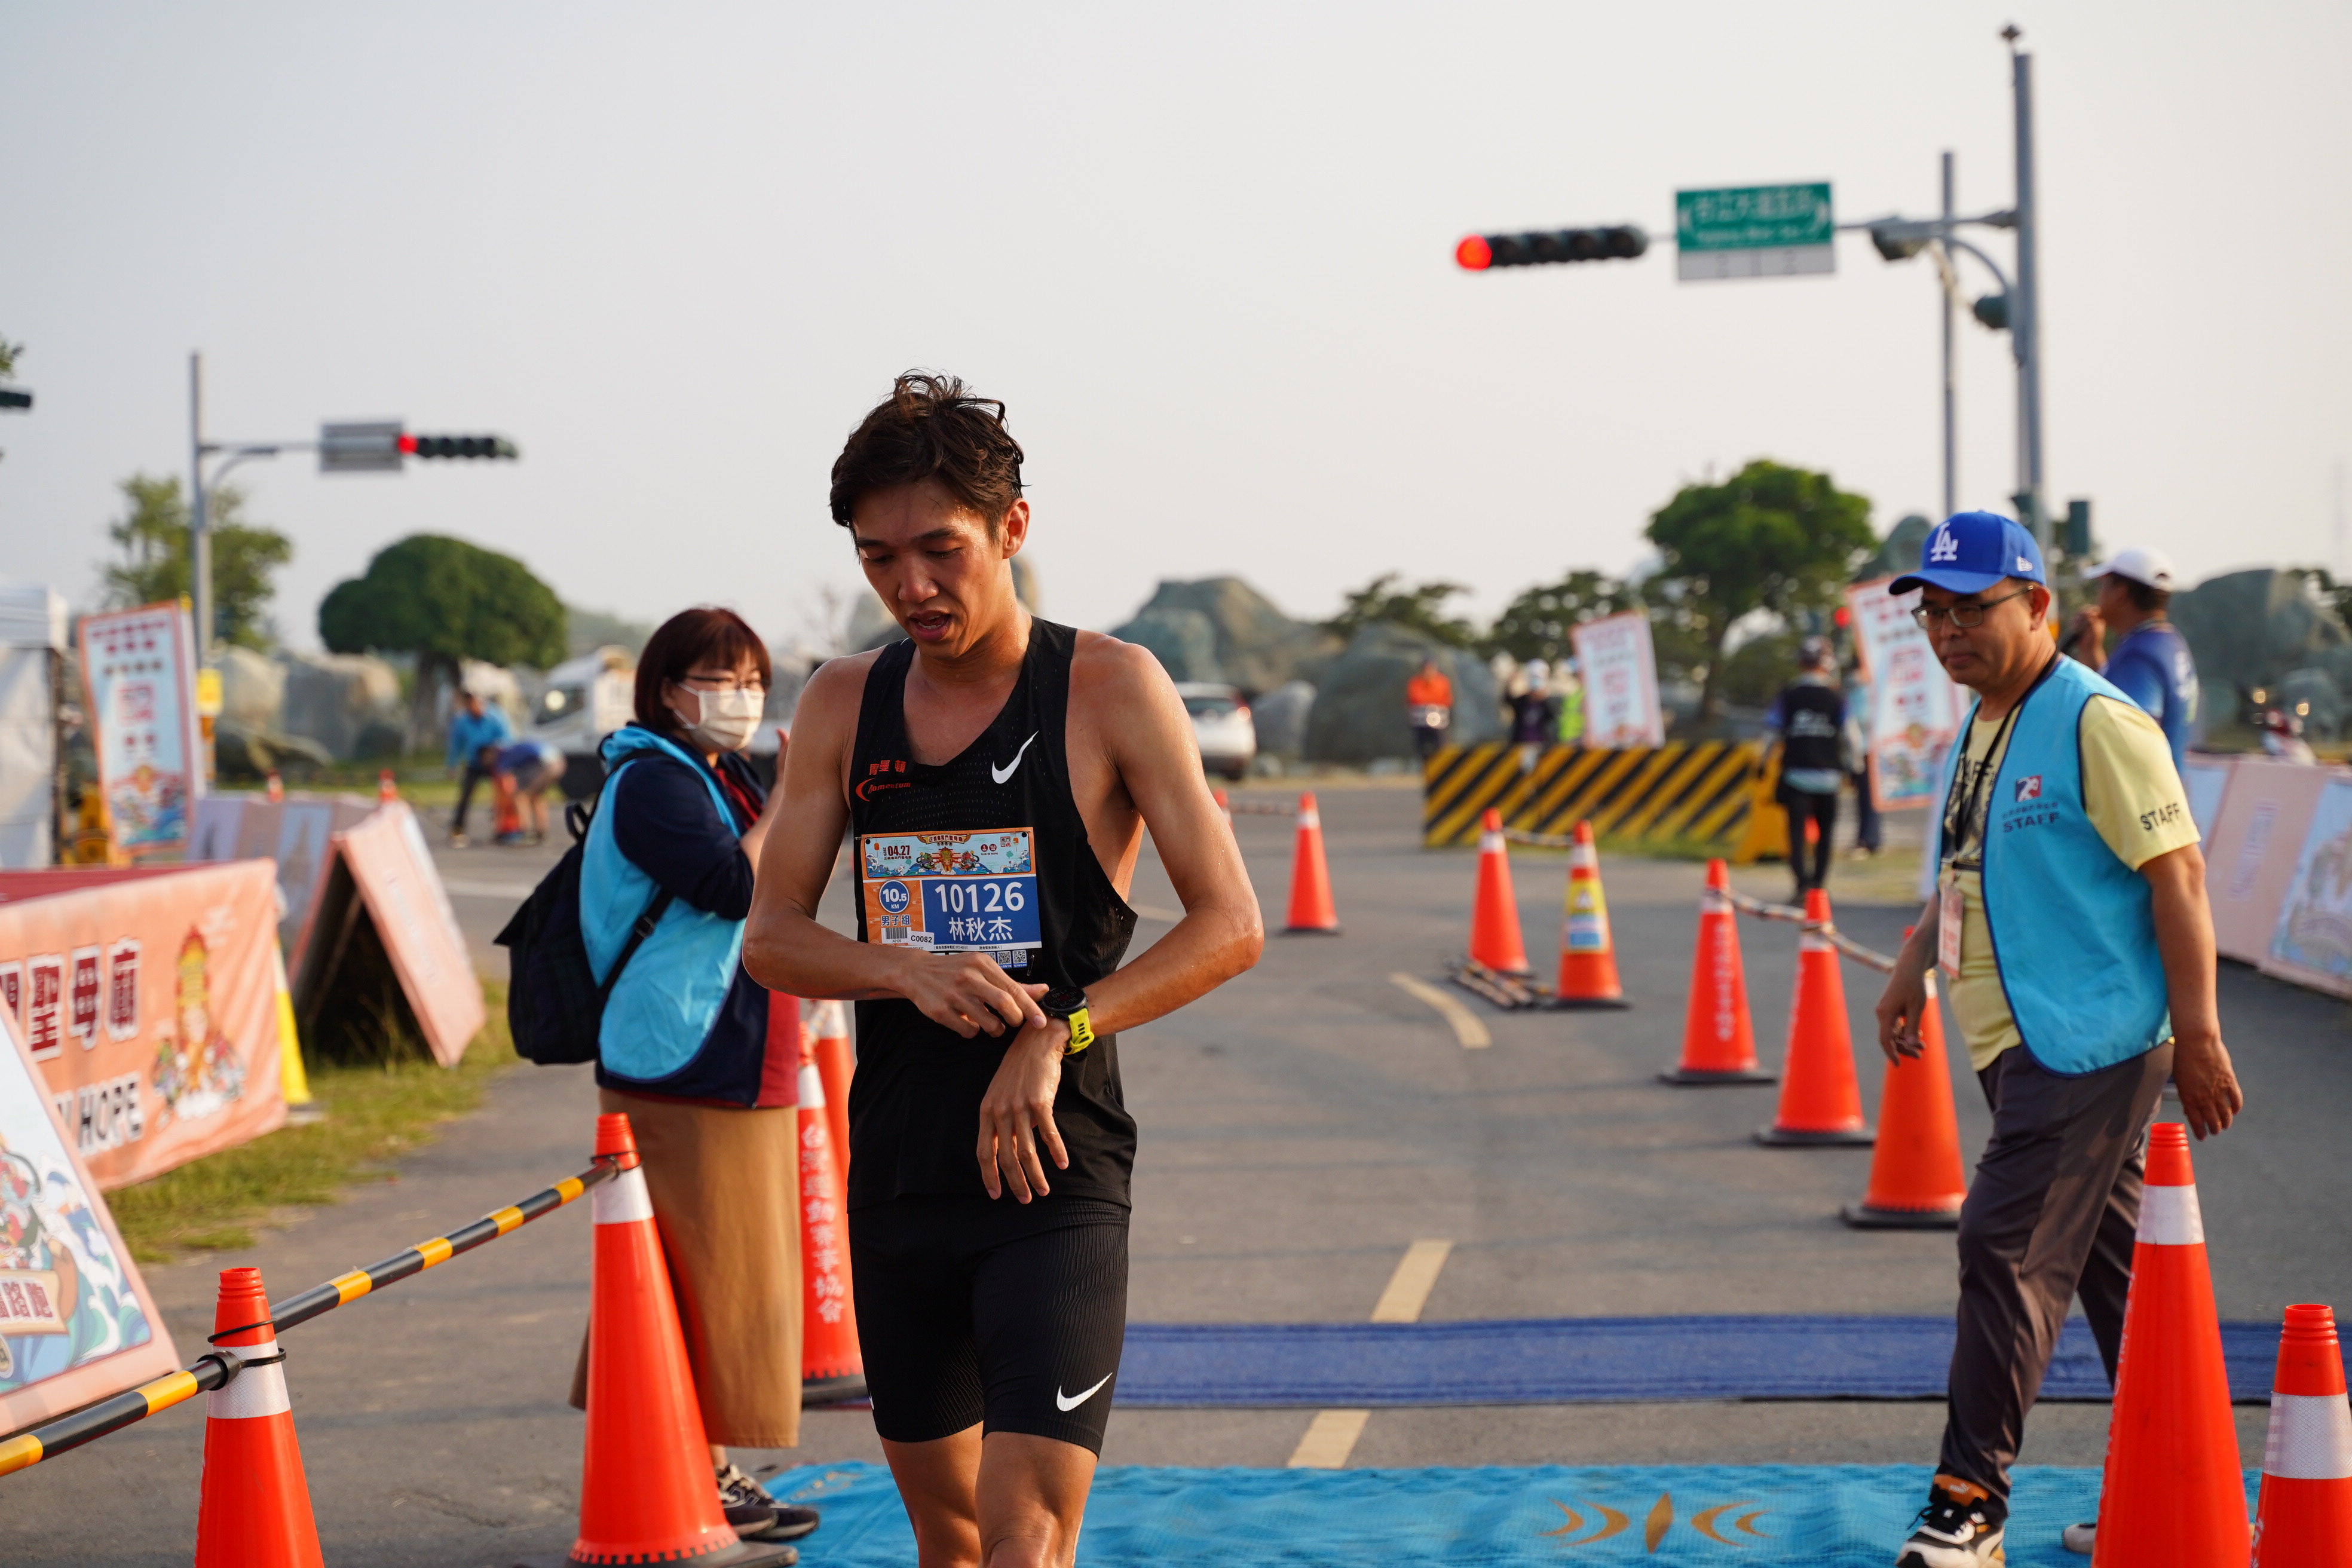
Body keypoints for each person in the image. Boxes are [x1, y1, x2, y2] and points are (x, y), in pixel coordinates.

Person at [743, 373, 1262, 1568]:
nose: (911, 586)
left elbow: (1229, 923)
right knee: (955, 1536)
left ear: (1011, 527)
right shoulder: (843, 701)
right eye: (879, 558)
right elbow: (771, 935)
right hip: (901, 1172)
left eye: (942, 550)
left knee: (1027, 1533)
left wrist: (1056, 1029)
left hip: (1056, 1170)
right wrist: (902, 969)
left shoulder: (1109, 687)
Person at [1872, 512, 2242, 1568]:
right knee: (2125, 1277)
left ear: (2036, 605)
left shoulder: (2098, 719)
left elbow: (2179, 875)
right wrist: (1912, 965)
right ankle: (2183, 1501)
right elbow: (1961, 869)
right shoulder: (1981, 723)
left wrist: (2200, 1034)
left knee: (2003, 1247)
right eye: (1933, 613)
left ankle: (1968, 1505)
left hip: (2090, 1042)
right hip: (2016, 1039)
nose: (1948, 631)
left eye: (1971, 609)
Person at [565, 606, 817, 1550]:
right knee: (701, 1272)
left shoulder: (717, 774)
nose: (742, 699)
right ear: (668, 689)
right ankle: (700, 1470)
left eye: (754, 682)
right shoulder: (654, 781)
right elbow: (734, 887)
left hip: (737, 1049)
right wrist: (789, 797)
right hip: (680, 1055)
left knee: (710, 1270)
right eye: (721, 680)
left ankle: (686, 1460)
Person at [2060, 545, 2201, 768]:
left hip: (2139, 788)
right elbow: (2115, 695)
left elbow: (2129, 736)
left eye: (2104, 585)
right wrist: (2090, 650)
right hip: (2165, 784)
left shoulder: (2138, 654)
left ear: (2121, 593)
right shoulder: (2168, 642)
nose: (2099, 595)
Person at [1763, 636, 1845, 902]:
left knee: (1796, 834)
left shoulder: (1789, 695)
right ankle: (1819, 887)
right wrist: (1854, 767)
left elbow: (1772, 733)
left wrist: (1763, 763)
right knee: (1825, 834)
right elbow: (1851, 735)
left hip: (1796, 774)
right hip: (1829, 777)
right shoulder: (1836, 697)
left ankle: (1801, 885)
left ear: (1801, 663)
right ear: (1828, 665)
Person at [443, 688, 512, 847]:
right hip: (474, 763)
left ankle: (504, 829)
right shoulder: (462, 721)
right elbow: (456, 745)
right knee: (465, 794)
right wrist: (452, 765)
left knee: (503, 795)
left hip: (495, 762)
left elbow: (507, 739)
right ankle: (458, 828)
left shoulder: (495, 717)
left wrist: (493, 752)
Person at [487, 736, 566, 844]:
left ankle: (526, 832)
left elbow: (503, 783)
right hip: (559, 762)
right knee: (536, 796)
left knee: (521, 796)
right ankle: (541, 831)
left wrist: (496, 809)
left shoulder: (504, 756)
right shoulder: (513, 748)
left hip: (545, 764)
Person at [1843, 669, 1881, 859]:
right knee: (1864, 799)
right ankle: (1867, 838)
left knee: (1869, 799)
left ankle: (1869, 840)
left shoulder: (1866, 693)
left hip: (1869, 752)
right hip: (1861, 752)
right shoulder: (1856, 692)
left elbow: (1857, 722)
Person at [1404, 656, 1453, 762]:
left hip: (1439, 722)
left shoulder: (1442, 681)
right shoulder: (1415, 683)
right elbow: (1415, 698)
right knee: (1422, 746)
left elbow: (1446, 699)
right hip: (1420, 722)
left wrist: (1431, 701)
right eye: (1426, 669)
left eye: (1431, 668)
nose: (1428, 671)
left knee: (1440, 745)